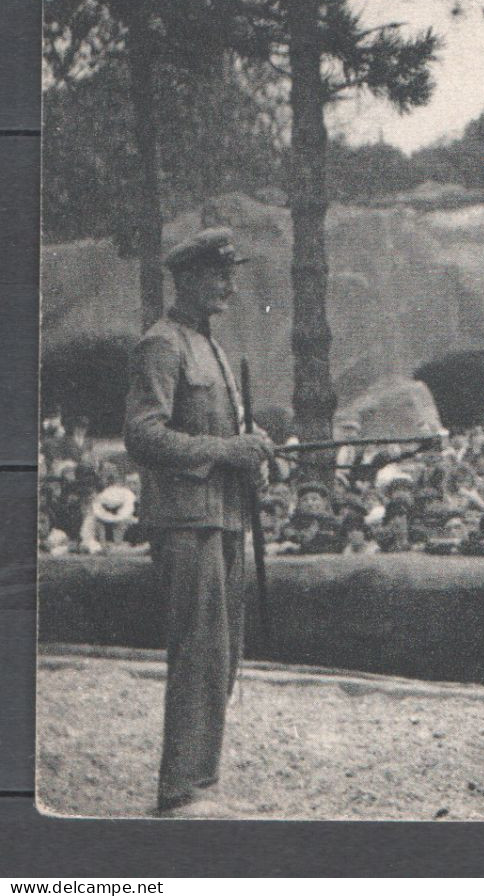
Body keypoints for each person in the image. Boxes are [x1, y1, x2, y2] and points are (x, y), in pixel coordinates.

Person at [123, 228, 273, 817]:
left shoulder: (208, 346)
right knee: (198, 650)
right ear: (185, 279)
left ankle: (199, 779)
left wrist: (250, 449)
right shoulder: (162, 345)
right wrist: (224, 451)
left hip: (224, 515)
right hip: (185, 520)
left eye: (231, 274)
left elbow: (220, 435)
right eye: (217, 274)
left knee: (223, 651)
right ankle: (179, 788)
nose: (229, 286)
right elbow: (143, 434)